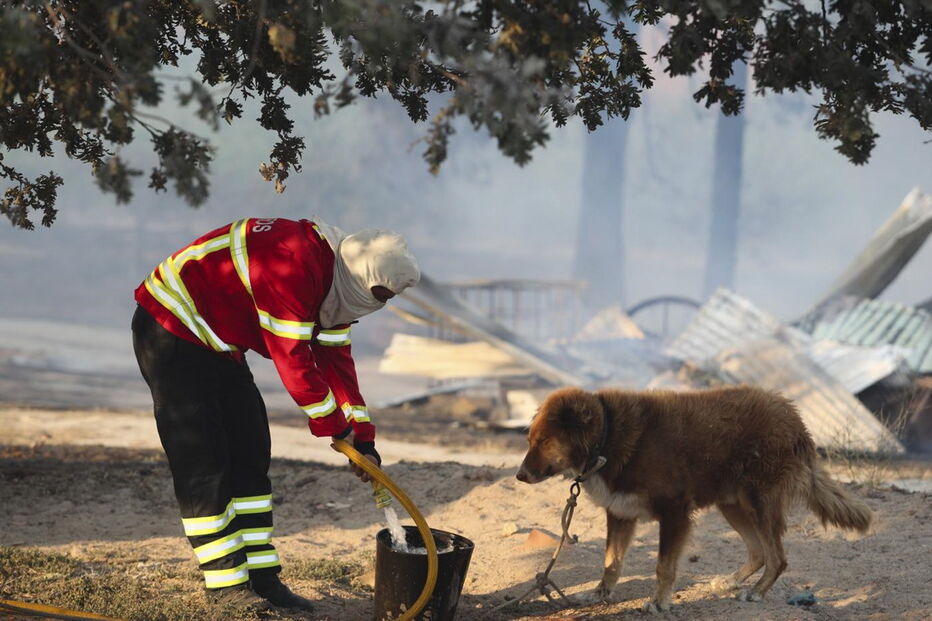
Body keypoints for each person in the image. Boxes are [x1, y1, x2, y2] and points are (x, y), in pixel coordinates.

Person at [131, 217, 419, 613]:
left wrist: (363, 436)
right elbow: (294, 361)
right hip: (171, 328)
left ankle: (263, 581)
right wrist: (335, 428)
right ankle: (227, 588)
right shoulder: (294, 264)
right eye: (382, 294)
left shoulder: (338, 280)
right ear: (363, 279)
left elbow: (336, 361)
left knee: (251, 453)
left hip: (220, 343)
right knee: (204, 464)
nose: (382, 304)